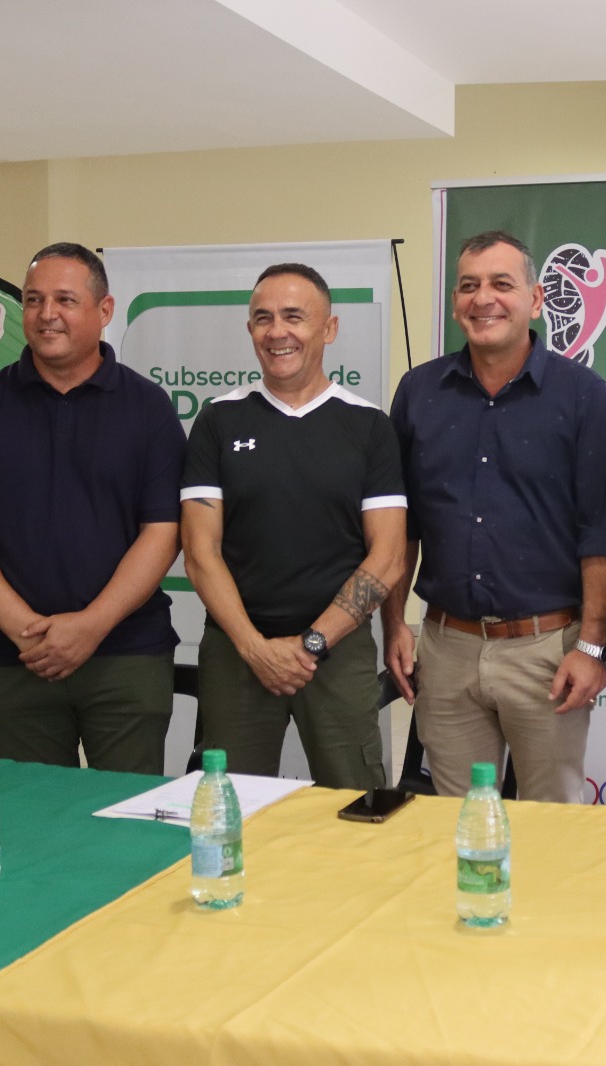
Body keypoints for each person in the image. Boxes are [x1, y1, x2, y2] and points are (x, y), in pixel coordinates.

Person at [0, 242, 185, 774]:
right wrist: (28, 632)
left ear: (104, 310)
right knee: (33, 815)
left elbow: (162, 532)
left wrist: (90, 626)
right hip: (16, 658)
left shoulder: (148, 407)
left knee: (127, 814)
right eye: (34, 300)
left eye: (65, 299)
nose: (47, 314)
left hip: (126, 656)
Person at [382, 231, 606, 803]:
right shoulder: (419, 392)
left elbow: (599, 530)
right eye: (469, 286)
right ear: (456, 303)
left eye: (501, 284)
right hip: (446, 647)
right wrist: (394, 624)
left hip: (547, 650)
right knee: (459, 823)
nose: (483, 298)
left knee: (550, 824)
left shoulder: (581, 395)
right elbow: (401, 527)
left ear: (535, 300)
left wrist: (592, 648)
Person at [180, 264, 405, 784]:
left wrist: (311, 644)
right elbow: (199, 552)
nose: (276, 331)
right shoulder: (218, 421)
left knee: (356, 801)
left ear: (329, 328)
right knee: (232, 803)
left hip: (338, 651)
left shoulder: (369, 426)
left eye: (293, 317)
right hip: (237, 650)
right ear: (250, 330)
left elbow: (389, 556)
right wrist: (255, 648)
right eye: (263, 319)